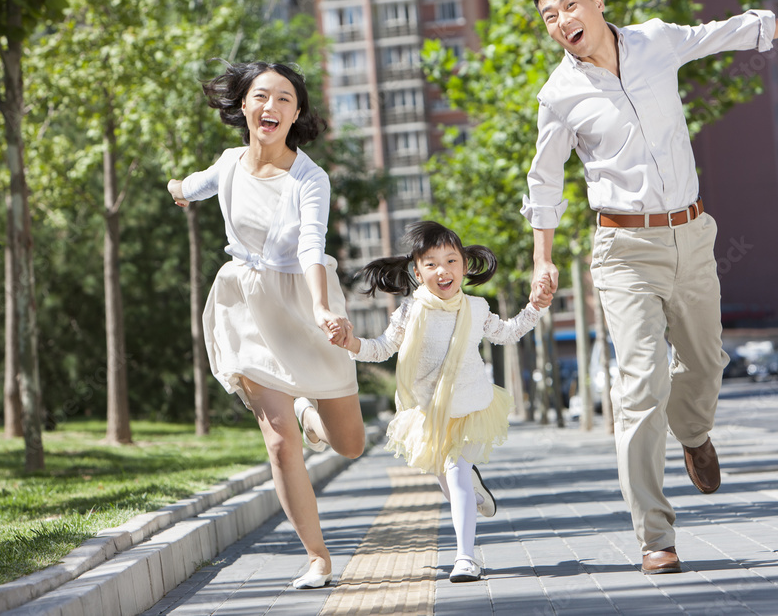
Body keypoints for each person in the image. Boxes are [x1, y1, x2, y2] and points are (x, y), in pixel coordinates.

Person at [522, 0, 778, 574]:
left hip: (692, 234)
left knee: (707, 363)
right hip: (623, 250)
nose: (561, 21)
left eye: (569, 4)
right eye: (548, 16)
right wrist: (541, 260)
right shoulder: (558, 96)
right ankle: (655, 535)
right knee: (639, 386)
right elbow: (544, 181)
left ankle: (695, 432)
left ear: (597, 2)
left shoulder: (653, 40)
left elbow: (722, 32)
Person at [166, 60, 363, 589]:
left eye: (284, 99)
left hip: (304, 301)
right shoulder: (229, 163)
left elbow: (311, 246)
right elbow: (198, 184)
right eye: (261, 96)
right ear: (244, 106)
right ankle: (317, 557)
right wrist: (177, 187)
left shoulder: (310, 178)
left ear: (296, 113)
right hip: (246, 303)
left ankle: (310, 414)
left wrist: (323, 308)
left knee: (350, 444)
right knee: (277, 443)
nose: (271, 106)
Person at [337, 221, 552, 582]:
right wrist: (351, 345)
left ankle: (465, 558)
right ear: (417, 272)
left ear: (465, 266)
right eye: (431, 263)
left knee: (455, 476)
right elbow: (382, 349)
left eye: (451, 260)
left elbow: (510, 332)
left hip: (471, 409)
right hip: (427, 415)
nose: (443, 270)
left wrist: (536, 307)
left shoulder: (477, 308)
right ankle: (475, 490)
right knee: (452, 485)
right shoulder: (409, 311)